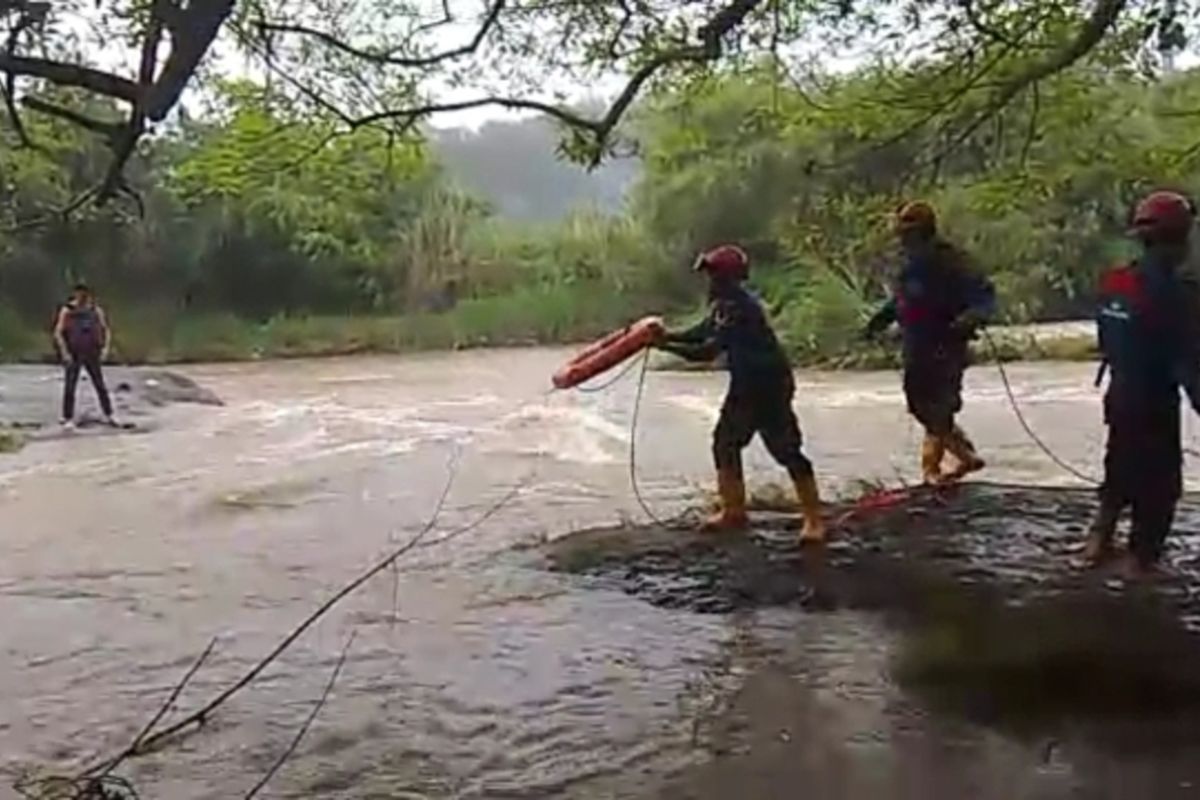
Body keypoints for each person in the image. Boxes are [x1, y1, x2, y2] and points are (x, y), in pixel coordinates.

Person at [653, 244, 825, 543]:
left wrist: (665, 346)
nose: (709, 280)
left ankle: (814, 521)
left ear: (727, 277)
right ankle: (734, 511)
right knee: (725, 443)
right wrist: (666, 337)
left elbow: (707, 351)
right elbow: (699, 332)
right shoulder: (724, 305)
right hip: (745, 385)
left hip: (769, 384)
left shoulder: (740, 307)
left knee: (786, 450)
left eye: (713, 274)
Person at [1085, 190, 1200, 578]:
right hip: (1155, 406)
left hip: (1119, 397)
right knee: (1160, 492)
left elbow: (1107, 340)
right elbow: (1186, 361)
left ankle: (1096, 544)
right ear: (1180, 238)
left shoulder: (1115, 282)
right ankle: (1139, 570)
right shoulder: (1178, 294)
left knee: (1118, 470)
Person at [864, 201, 996, 484]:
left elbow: (984, 297)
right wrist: (879, 322)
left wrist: (970, 319)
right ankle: (963, 457)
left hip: (947, 344)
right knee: (920, 406)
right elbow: (901, 300)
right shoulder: (910, 264)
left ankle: (933, 471)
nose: (901, 237)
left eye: (907, 231)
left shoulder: (954, 260)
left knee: (940, 407)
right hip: (916, 345)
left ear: (922, 231)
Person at [53, 283, 115, 428]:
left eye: (84, 294)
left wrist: (105, 348)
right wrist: (64, 352)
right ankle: (67, 417)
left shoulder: (95, 310)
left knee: (99, 384)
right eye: (79, 294)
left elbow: (106, 329)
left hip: (92, 351)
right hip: (74, 352)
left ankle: (109, 414)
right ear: (75, 294)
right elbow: (58, 332)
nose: (82, 297)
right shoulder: (67, 310)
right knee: (70, 386)